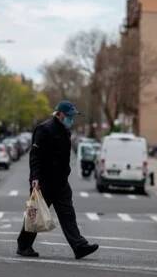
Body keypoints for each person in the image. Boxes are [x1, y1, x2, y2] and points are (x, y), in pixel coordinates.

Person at [17, 100, 99, 260]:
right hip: (44, 182)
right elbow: (35, 156)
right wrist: (35, 178)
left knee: (68, 214)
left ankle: (79, 246)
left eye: (73, 116)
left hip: (61, 183)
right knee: (35, 214)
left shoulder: (66, 131)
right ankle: (23, 245)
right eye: (69, 116)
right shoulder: (44, 129)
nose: (72, 119)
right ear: (60, 114)